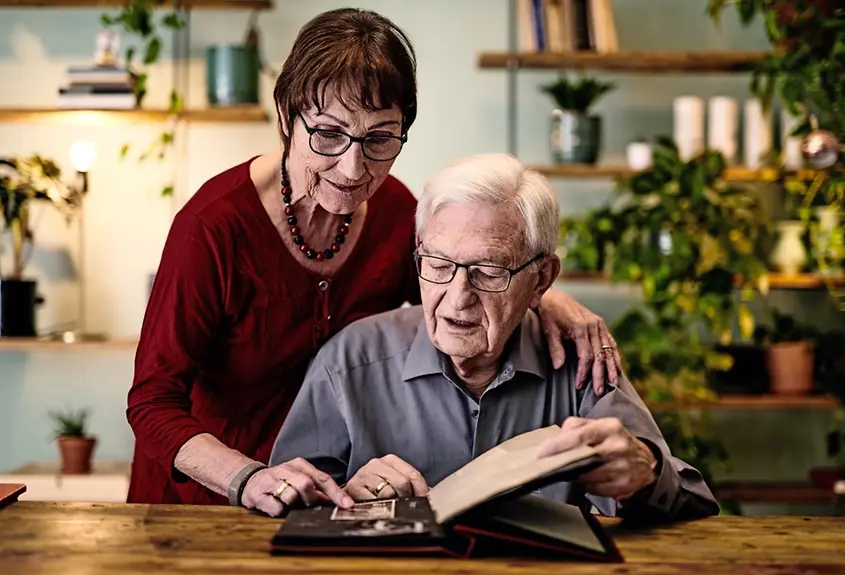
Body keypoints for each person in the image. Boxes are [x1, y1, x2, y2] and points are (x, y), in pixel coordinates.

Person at [126, 8, 622, 514]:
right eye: (328, 134)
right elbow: (151, 402)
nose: (353, 167)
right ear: (285, 116)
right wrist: (248, 478)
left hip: (316, 498)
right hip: (199, 501)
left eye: (380, 139)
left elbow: (461, 281)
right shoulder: (212, 228)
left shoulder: (396, 214)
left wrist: (545, 296)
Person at [269, 153, 719, 522]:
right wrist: (345, 499)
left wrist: (644, 470)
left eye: (489, 271)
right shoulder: (350, 361)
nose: (457, 298)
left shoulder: (580, 361)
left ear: (541, 280)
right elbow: (283, 505)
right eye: (439, 265)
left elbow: (693, 502)